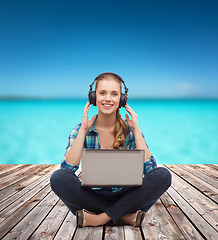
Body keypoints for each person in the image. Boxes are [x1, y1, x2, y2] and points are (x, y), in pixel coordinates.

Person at [50, 72, 172, 227]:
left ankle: (99, 218)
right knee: (58, 178)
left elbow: (150, 170)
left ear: (122, 99)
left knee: (163, 175)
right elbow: (67, 169)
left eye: (114, 94)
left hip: (127, 196)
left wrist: (136, 130)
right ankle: (124, 216)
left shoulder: (131, 130)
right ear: (93, 97)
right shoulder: (80, 130)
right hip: (92, 196)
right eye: (102, 93)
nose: (108, 98)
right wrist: (83, 131)